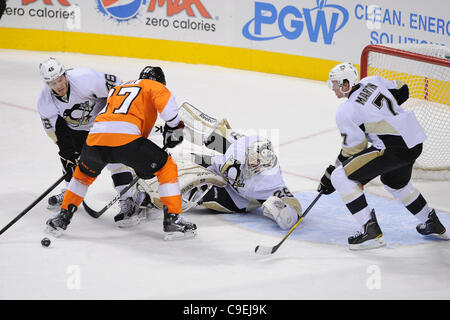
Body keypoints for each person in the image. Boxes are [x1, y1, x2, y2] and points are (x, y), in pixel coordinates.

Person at [45, 66, 197, 240]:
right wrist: (174, 128)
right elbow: (169, 111)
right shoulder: (153, 86)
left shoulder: (119, 88)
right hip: (125, 139)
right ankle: (173, 219)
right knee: (167, 167)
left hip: (95, 138)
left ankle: (62, 218)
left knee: (81, 176)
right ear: (160, 81)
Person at [318, 62, 448, 250]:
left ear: (346, 84)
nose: (333, 89)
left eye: (335, 84)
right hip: (414, 140)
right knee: (395, 182)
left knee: (341, 176)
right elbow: (403, 90)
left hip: (392, 148)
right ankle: (431, 221)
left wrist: (330, 174)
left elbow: (352, 150)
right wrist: (383, 113)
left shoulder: (346, 110)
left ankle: (370, 232)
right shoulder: (372, 81)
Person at [137, 104, 303, 230]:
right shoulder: (238, 146)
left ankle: (146, 197)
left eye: (253, 163)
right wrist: (169, 130)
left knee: (197, 187)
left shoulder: (270, 183)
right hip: (219, 165)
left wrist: (284, 212)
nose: (251, 163)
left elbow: (294, 206)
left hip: (236, 198)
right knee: (178, 161)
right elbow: (202, 131)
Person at [37, 57, 137, 223]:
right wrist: (68, 154)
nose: (59, 86)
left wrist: (119, 118)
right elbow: (54, 131)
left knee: (114, 161)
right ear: (48, 84)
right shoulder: (45, 101)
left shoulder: (86, 78)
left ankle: (127, 200)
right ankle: (69, 193)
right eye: (53, 83)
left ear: (65, 75)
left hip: (103, 122)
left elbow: (120, 87)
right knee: (68, 161)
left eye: (60, 80)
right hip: (77, 130)